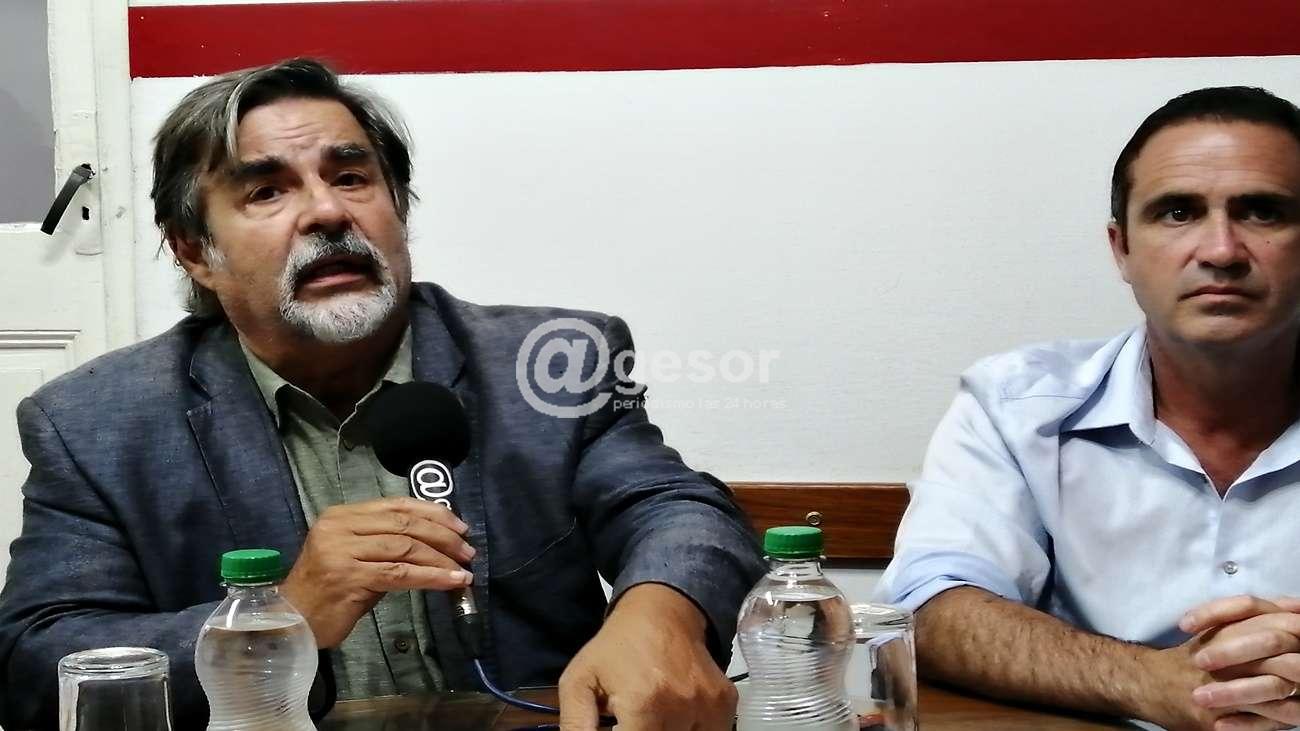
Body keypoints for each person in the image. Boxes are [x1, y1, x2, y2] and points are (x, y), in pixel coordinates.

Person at [0, 58, 765, 730]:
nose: (328, 211)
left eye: (351, 177)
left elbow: (676, 508)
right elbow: (36, 659)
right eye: (267, 190)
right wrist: (278, 621)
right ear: (195, 250)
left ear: (397, 206)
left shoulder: (552, 361)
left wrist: (663, 613)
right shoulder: (95, 423)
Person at [877, 85, 1300, 731]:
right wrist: (1149, 680)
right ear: (1121, 249)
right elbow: (931, 609)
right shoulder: (1015, 407)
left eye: (1263, 212)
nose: (1221, 250)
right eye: (1178, 212)